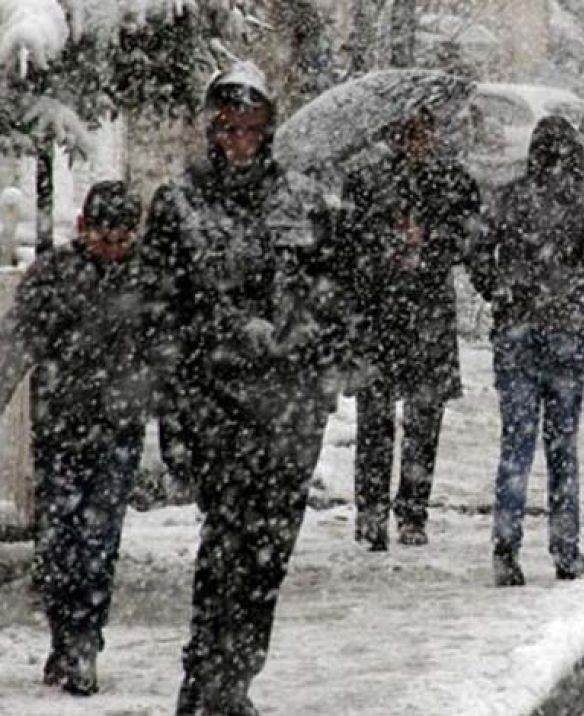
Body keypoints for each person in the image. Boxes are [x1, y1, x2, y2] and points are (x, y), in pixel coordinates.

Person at [138, 61, 342, 716]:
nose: (239, 141)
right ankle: (207, 683)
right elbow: (161, 313)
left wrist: (300, 337)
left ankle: (238, 679)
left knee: (267, 559)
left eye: (251, 127)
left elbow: (331, 300)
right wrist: (175, 407)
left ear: (268, 129)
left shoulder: (303, 201)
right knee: (226, 548)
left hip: (287, 411)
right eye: (228, 127)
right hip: (216, 405)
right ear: (211, 128)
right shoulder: (181, 203)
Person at [0, 182, 147, 696]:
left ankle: (85, 639)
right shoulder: (53, 277)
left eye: (123, 236)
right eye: (105, 235)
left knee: (99, 541)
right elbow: (15, 343)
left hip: (118, 429)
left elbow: (169, 354)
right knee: (60, 541)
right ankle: (66, 636)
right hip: (62, 428)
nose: (113, 246)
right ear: (84, 228)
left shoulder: (147, 280)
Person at [472, 116, 584, 586]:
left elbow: (476, 249)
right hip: (564, 336)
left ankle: (506, 544)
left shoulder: (509, 197)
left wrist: (500, 290)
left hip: (515, 332)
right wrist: (577, 306)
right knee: (562, 446)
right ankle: (565, 547)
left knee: (516, 443)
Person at [340, 104, 486, 551]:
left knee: (424, 418)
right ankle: (371, 513)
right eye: (406, 132)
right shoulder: (365, 180)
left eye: (422, 131)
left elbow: (469, 237)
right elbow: (347, 244)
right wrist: (385, 245)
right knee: (375, 418)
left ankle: (412, 511)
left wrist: (431, 244)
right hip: (379, 312)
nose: (414, 141)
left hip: (427, 311)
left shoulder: (452, 180)